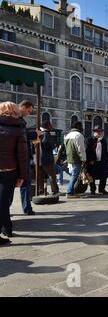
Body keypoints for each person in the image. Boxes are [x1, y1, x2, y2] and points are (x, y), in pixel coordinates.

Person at [0, 102, 28, 243]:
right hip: (8, 171)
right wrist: (22, 176)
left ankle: (7, 227)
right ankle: (6, 228)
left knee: (3, 202)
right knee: (5, 202)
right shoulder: (18, 128)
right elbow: (22, 156)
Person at [16, 100, 41, 215]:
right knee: (12, 187)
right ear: (23, 107)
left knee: (26, 183)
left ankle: (27, 208)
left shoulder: (19, 119)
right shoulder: (14, 119)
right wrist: (34, 134)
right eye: (28, 111)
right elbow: (20, 134)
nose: (29, 113)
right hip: (18, 158)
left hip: (25, 157)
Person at [64, 121, 86, 199]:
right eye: (81, 126)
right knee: (75, 175)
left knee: (73, 174)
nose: (82, 128)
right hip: (76, 158)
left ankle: (72, 191)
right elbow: (81, 149)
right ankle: (69, 192)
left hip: (69, 158)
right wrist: (83, 159)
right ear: (78, 126)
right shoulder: (79, 135)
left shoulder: (67, 135)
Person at [86, 126, 108, 195]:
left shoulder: (103, 140)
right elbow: (88, 151)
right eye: (97, 131)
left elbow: (105, 151)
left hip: (102, 161)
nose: (99, 133)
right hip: (93, 161)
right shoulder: (90, 140)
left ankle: (102, 189)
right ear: (94, 132)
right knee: (92, 176)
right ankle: (93, 189)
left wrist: (107, 160)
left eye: (100, 131)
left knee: (104, 176)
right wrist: (90, 160)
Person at [38, 121, 60, 196]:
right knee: (52, 175)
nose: (52, 126)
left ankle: (40, 190)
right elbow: (48, 145)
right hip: (46, 158)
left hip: (38, 158)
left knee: (40, 176)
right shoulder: (46, 133)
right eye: (50, 125)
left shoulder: (38, 133)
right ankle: (55, 190)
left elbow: (34, 145)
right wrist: (53, 145)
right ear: (46, 126)